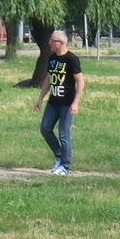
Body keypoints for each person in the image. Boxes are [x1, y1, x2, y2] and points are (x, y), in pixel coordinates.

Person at [34, 29, 84, 175]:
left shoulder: (71, 59)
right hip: (53, 101)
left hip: (66, 103)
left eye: (52, 41)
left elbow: (80, 81)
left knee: (64, 133)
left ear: (61, 43)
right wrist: (40, 99)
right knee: (45, 128)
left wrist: (76, 102)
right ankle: (59, 155)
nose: (49, 43)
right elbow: (48, 79)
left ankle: (65, 166)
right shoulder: (52, 58)